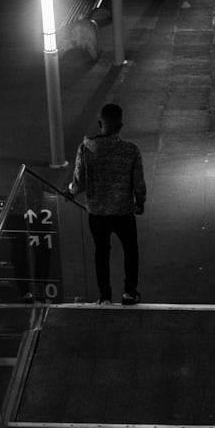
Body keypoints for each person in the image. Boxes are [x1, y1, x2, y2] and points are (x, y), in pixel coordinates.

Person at [64, 103, 146, 305]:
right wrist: (140, 201)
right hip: (123, 212)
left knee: (101, 253)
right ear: (121, 125)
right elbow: (138, 183)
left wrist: (70, 190)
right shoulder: (130, 150)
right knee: (131, 251)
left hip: (97, 213)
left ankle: (105, 296)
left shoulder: (86, 148)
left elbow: (79, 182)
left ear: (101, 123)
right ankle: (129, 293)